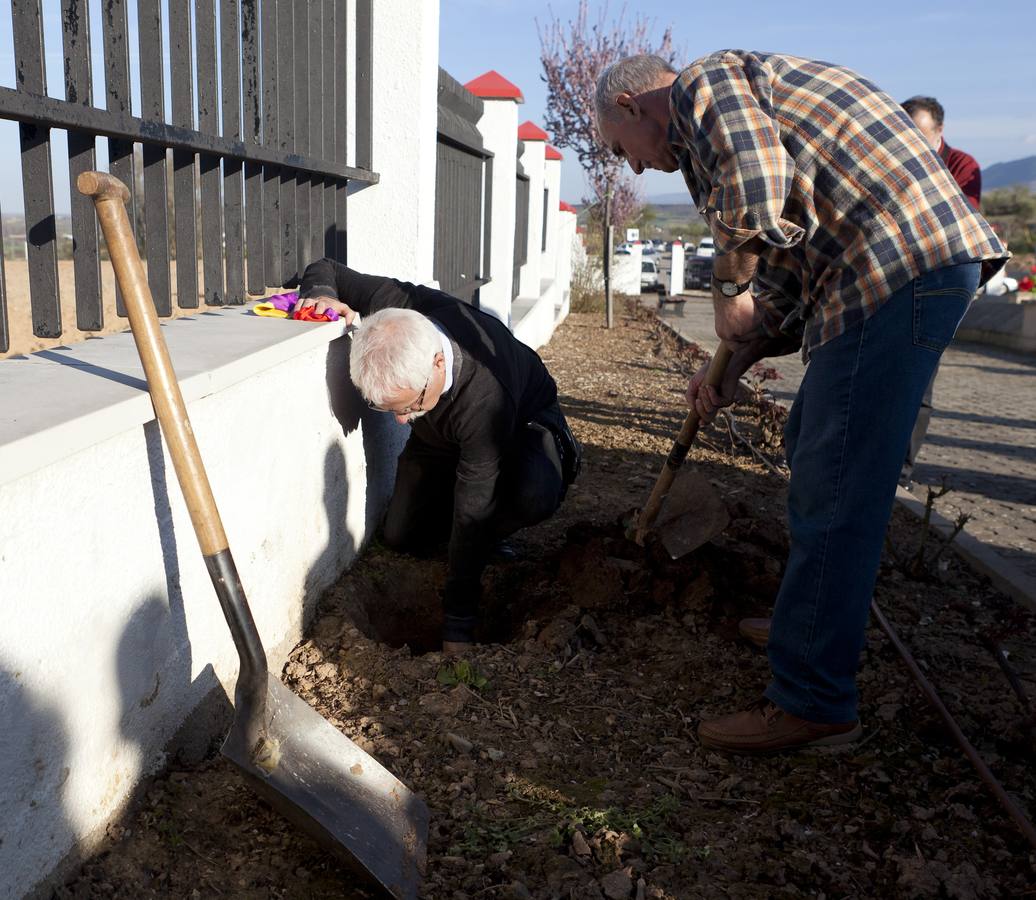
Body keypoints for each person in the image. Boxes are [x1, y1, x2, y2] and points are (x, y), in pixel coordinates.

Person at [594, 51, 1007, 754]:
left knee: (837, 482)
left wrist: (725, 294)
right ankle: (808, 623)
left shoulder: (705, 85)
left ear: (632, 105)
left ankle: (814, 699)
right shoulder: (716, 136)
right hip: (875, 272)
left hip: (898, 264)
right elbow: (781, 279)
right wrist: (736, 361)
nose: (630, 168)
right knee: (812, 444)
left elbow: (758, 192)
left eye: (615, 149)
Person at [296, 260, 580, 654]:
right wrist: (320, 295)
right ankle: (455, 520)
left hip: (522, 429)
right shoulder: (400, 310)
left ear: (438, 364)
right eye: (386, 409)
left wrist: (458, 626)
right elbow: (328, 268)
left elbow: (473, 508)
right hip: (441, 436)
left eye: (408, 404)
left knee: (529, 494)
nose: (399, 418)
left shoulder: (486, 398)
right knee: (400, 536)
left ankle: (550, 468)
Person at [899, 96, 983, 487]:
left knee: (921, 377)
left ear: (939, 133)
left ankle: (901, 470)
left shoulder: (963, 167)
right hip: (894, 278)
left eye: (918, 133)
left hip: (940, 280)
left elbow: (957, 218)